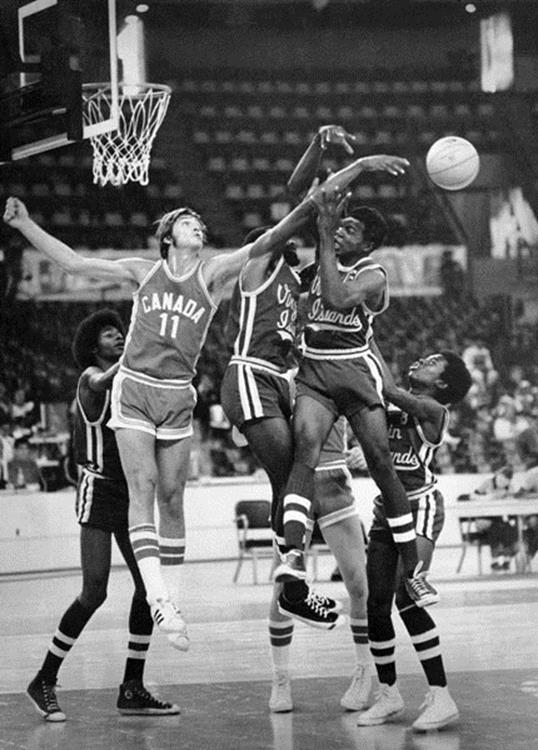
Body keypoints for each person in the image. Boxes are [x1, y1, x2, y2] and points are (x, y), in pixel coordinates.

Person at [4, 156, 379, 648]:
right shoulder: (143, 271)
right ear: (168, 237)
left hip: (178, 394)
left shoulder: (214, 273)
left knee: (173, 498)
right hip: (136, 388)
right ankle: (160, 598)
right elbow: (74, 263)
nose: (197, 224)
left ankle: (180, 601)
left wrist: (321, 198)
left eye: (200, 223)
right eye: (187, 221)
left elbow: (274, 235)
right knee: (143, 488)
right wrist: (25, 224)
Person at [273, 176, 440, 612]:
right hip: (314, 371)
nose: (341, 231)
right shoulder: (319, 264)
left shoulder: (372, 273)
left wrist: (325, 235)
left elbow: (336, 296)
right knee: (305, 453)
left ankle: (414, 572)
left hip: (354, 372)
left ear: (368, 243)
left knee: (381, 461)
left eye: (350, 229)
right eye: (340, 226)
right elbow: (296, 195)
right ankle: (293, 556)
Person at [26, 309, 179, 722]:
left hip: (129, 492)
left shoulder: (128, 383)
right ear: (94, 346)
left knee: (148, 587)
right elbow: (102, 381)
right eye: (110, 334)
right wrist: (139, 350)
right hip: (97, 488)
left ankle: (132, 686)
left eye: (120, 332)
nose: (118, 336)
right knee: (94, 591)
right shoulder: (90, 378)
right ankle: (44, 679)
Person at [356, 348, 472, 732]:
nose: (422, 361)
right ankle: (388, 694)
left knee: (407, 596)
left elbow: (386, 388)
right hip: (385, 509)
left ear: (442, 383)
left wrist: (363, 339)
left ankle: (441, 695)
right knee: (376, 604)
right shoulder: (394, 403)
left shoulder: (435, 411)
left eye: (433, 362)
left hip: (420, 505)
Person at [268, 417, 371, 713]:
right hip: (293, 484)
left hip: (333, 480)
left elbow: (371, 415)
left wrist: (365, 447)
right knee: (283, 588)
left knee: (359, 585)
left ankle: (364, 670)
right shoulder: (275, 386)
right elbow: (243, 434)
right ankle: (280, 678)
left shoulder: (337, 384)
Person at [470, 464, 518, 571]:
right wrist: (486, 498)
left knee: (507, 528)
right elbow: (472, 496)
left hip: (499, 518)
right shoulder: (488, 482)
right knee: (497, 527)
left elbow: (513, 503)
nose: (501, 483)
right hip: (483, 518)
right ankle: (495, 560)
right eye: (500, 479)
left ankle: (506, 558)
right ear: (497, 475)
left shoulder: (509, 487)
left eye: (505, 481)